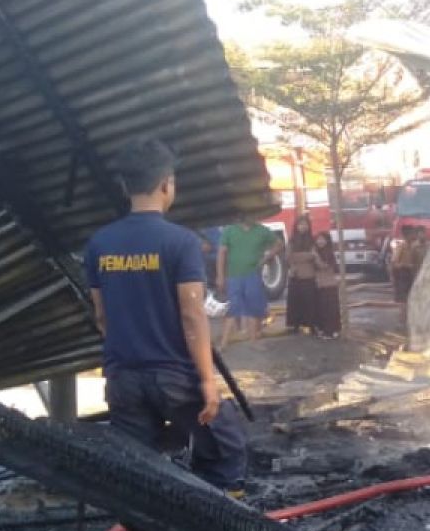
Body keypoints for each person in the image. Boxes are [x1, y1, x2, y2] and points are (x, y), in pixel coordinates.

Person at [82, 138, 247, 495]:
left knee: (140, 469)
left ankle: (151, 529)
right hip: (174, 376)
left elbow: (101, 315)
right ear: (166, 185)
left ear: (126, 186)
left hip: (123, 377)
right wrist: (207, 381)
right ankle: (217, 529)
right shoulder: (180, 242)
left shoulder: (100, 243)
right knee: (225, 449)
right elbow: (192, 315)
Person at [216, 217, 280, 350]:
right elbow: (221, 253)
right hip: (233, 276)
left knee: (254, 309)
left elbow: (279, 244)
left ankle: (254, 342)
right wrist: (220, 276)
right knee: (232, 309)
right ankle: (223, 343)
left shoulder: (262, 230)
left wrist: (266, 257)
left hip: (253, 276)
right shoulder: (229, 230)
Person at [285, 214, 317, 333]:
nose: (303, 227)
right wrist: (306, 256)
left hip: (309, 275)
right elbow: (288, 257)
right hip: (296, 275)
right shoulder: (292, 240)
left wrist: (299, 257)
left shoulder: (312, 240)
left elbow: (313, 256)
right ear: (296, 226)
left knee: (310, 300)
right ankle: (295, 325)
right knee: (295, 301)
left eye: (305, 224)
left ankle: (312, 325)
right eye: (300, 224)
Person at [313, 232, 341, 338]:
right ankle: (323, 329)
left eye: (322, 239)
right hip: (319, 285)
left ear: (327, 241)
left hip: (329, 285)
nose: (320, 241)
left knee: (331, 309)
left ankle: (332, 330)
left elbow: (323, 266)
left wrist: (315, 255)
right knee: (321, 309)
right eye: (318, 239)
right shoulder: (315, 252)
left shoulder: (329, 253)